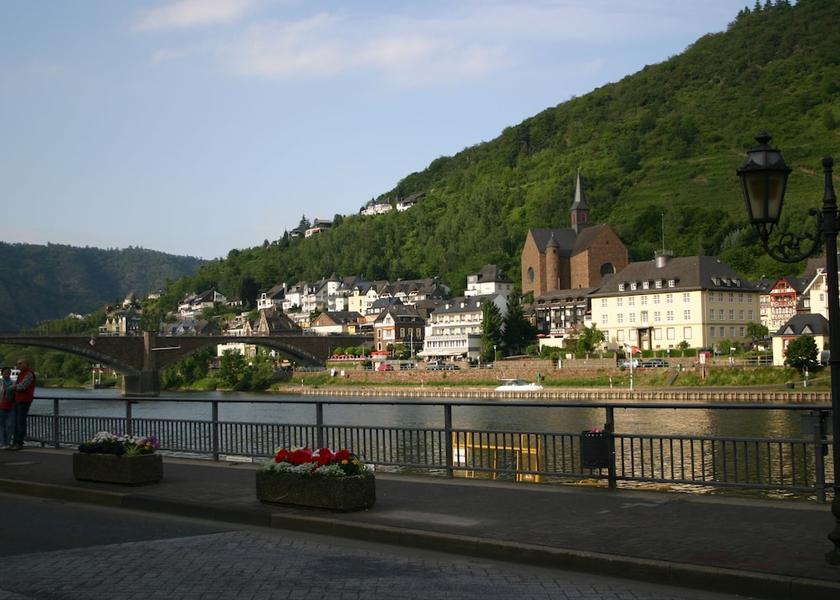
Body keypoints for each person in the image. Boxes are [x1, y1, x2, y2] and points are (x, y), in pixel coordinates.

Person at [8, 359, 35, 451]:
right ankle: (15, 442)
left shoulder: (29, 374)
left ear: (26, 364)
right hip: (17, 400)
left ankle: (19, 443)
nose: (18, 365)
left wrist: (13, 387)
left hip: (24, 400)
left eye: (20, 364)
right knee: (16, 422)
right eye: (17, 363)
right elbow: (17, 385)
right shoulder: (21, 374)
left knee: (20, 422)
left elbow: (22, 386)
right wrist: (15, 387)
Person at [0, 367, 14, 449]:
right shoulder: (0, 382)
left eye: (9, 372)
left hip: (11, 406)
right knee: (1, 425)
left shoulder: (13, 382)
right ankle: (2, 443)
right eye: (5, 372)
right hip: (1, 405)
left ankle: (8, 443)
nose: (7, 373)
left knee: (10, 425)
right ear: (2, 373)